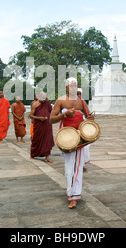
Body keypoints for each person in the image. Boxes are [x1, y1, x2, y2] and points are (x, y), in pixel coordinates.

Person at [50, 77, 95, 209]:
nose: (74, 88)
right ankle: (71, 194)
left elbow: (89, 117)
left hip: (80, 137)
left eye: (75, 86)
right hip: (67, 137)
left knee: (77, 168)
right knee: (70, 168)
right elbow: (52, 120)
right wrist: (64, 115)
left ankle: (74, 196)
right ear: (66, 88)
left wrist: (91, 118)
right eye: (71, 86)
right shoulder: (61, 100)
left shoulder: (81, 101)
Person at [29, 92, 54, 163]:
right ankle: (32, 155)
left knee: (47, 139)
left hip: (47, 124)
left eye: (44, 98)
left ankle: (47, 156)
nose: (43, 99)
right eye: (42, 98)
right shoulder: (35, 104)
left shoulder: (47, 103)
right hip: (39, 124)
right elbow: (31, 115)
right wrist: (40, 118)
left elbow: (50, 111)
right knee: (36, 139)